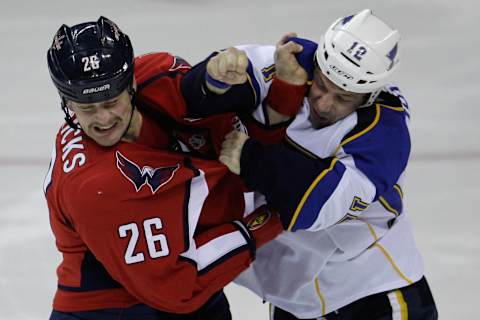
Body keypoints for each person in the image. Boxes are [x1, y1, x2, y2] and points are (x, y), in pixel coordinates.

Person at [43, 16, 283, 320]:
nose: (103, 119)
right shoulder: (96, 187)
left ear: (131, 84)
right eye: (87, 108)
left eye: (111, 102)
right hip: (111, 309)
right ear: (67, 102)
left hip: (173, 282)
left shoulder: (153, 74)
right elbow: (177, 289)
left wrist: (214, 77)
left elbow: (192, 94)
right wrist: (272, 218)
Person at [215, 9, 438, 320]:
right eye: (321, 84)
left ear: (369, 94)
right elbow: (221, 75)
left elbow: (315, 205)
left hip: (371, 291)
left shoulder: (384, 136)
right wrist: (216, 73)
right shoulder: (297, 61)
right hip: (296, 296)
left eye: (342, 98)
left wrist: (250, 157)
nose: (323, 103)